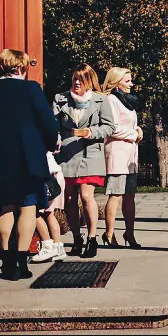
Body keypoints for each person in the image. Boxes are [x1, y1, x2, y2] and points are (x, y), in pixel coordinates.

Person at [0, 49, 59, 280]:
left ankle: (6, 261)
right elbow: (48, 123)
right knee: (27, 207)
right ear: (21, 67)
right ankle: (19, 263)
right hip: (28, 159)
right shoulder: (31, 89)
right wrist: (48, 144)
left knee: (5, 207)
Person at [52, 64, 115, 259]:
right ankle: (77, 238)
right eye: (74, 78)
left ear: (89, 81)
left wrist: (92, 132)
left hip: (90, 153)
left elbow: (109, 127)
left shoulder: (100, 100)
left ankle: (92, 238)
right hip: (67, 155)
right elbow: (53, 126)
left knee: (87, 197)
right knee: (69, 198)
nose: (77, 82)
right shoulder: (60, 99)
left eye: (81, 79)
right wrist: (56, 140)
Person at [100, 67, 144, 248]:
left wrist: (138, 130)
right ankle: (109, 234)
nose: (131, 84)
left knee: (129, 196)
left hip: (130, 156)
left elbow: (130, 123)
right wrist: (133, 134)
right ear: (116, 82)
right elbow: (112, 127)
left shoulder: (128, 102)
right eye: (127, 81)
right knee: (116, 194)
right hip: (117, 154)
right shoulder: (110, 100)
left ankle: (130, 234)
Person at [31, 150, 67, 263]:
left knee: (33, 212)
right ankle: (58, 248)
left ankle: (47, 246)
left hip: (46, 178)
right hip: (55, 175)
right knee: (49, 214)